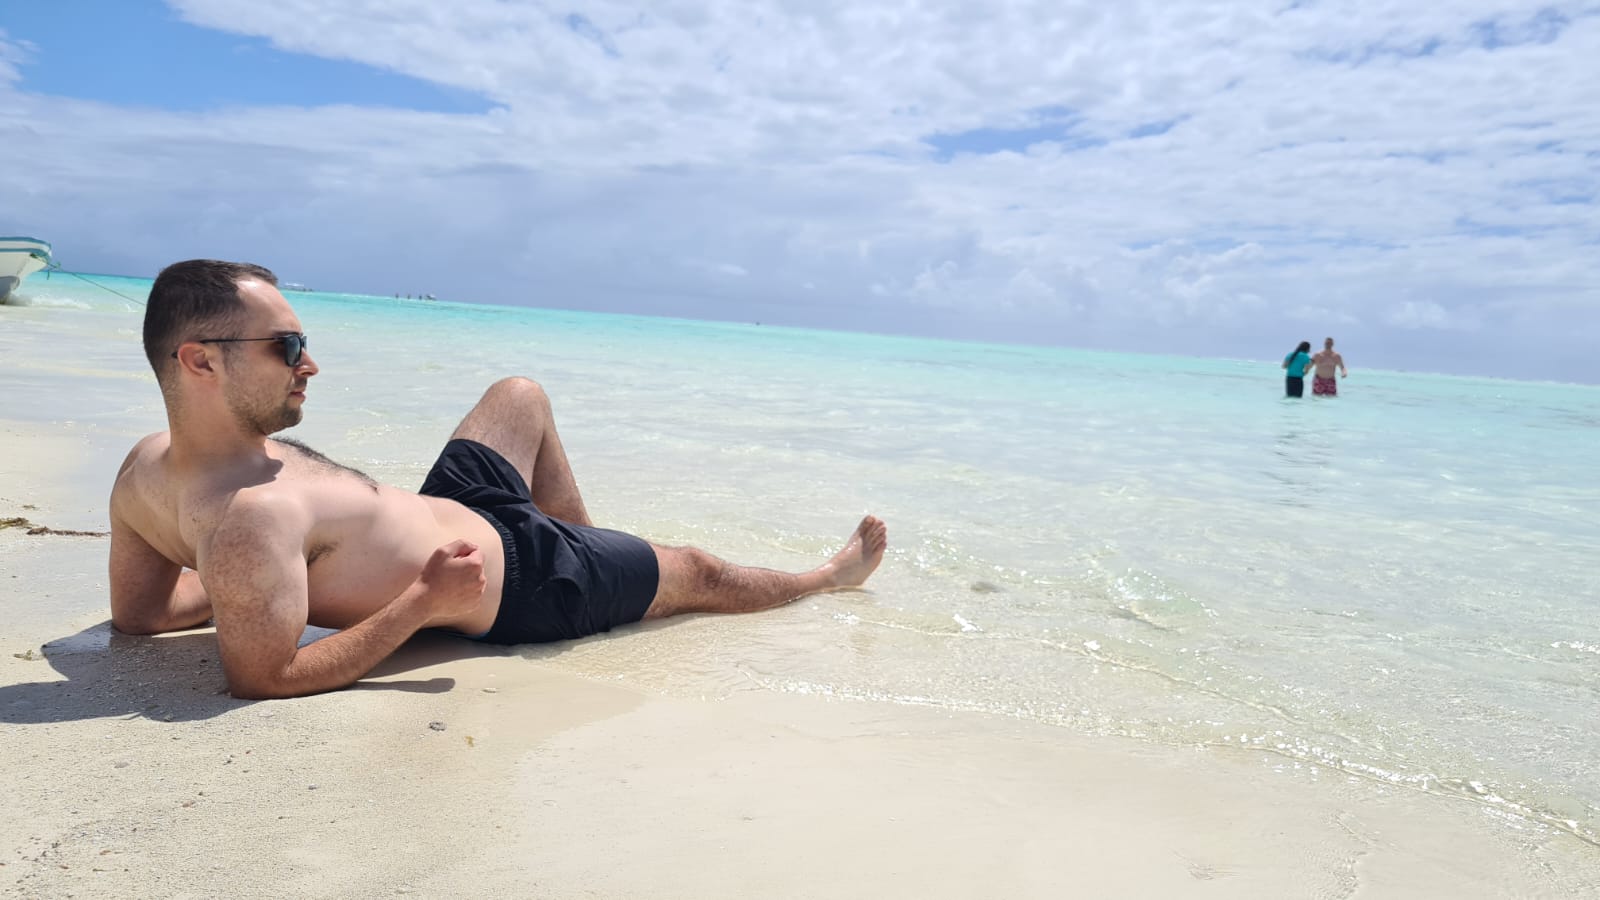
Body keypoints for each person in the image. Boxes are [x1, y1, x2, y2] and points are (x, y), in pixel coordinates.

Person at [108, 260, 888, 700]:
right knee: (699, 571)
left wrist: (257, 589)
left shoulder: (147, 466)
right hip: (519, 583)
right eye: (286, 346)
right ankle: (825, 578)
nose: (309, 364)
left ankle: (603, 556)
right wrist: (422, 603)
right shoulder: (249, 520)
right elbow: (266, 676)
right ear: (201, 361)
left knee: (519, 396)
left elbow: (142, 615)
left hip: (456, 505)